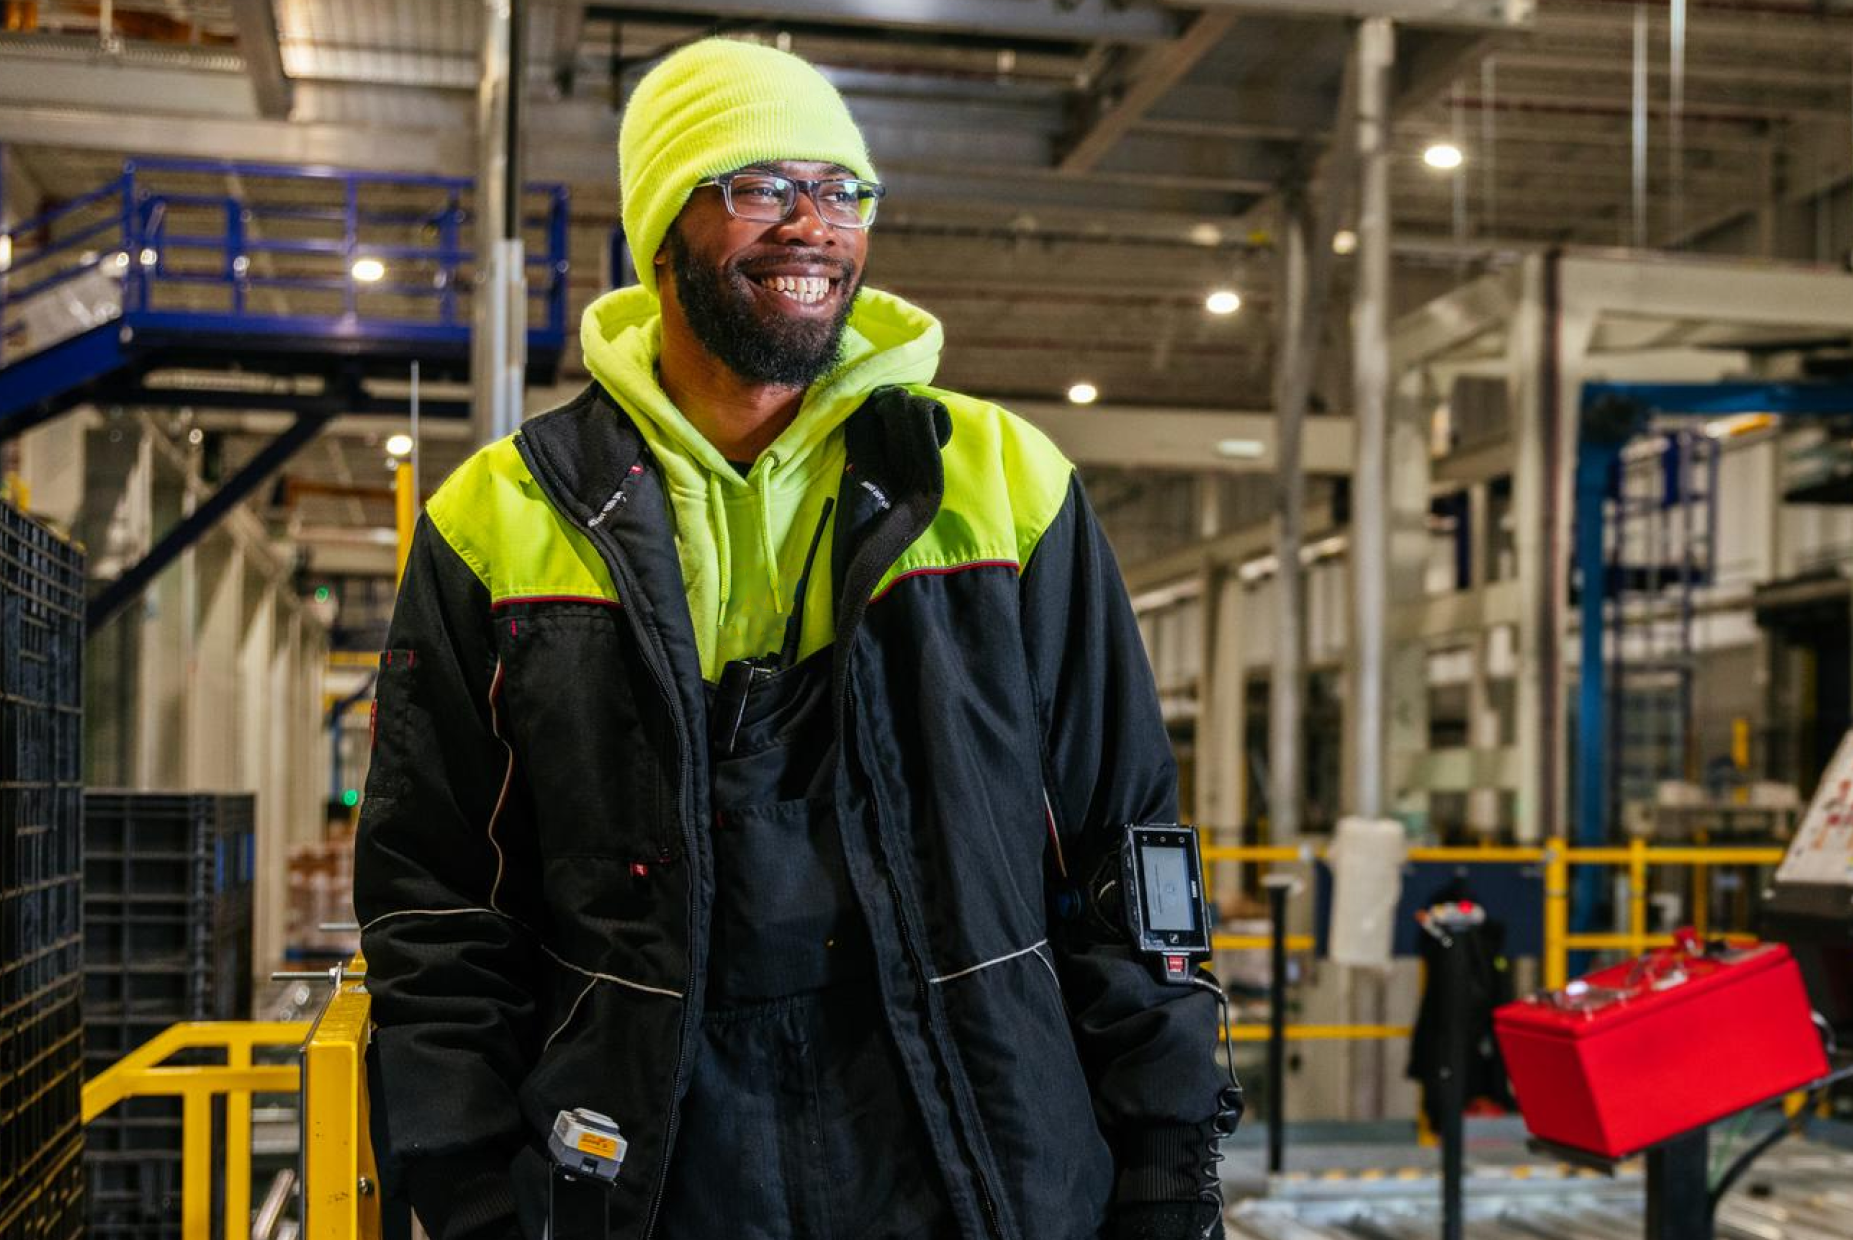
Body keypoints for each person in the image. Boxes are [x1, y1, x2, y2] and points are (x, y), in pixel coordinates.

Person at [354, 38, 1232, 1240]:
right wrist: (465, 1192)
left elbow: (1126, 848)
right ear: (663, 230)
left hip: (979, 1162)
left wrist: (1169, 1163)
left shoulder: (1002, 486)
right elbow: (433, 906)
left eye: (840, 190)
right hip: (650, 1178)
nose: (812, 225)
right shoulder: (498, 521)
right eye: (761, 185)